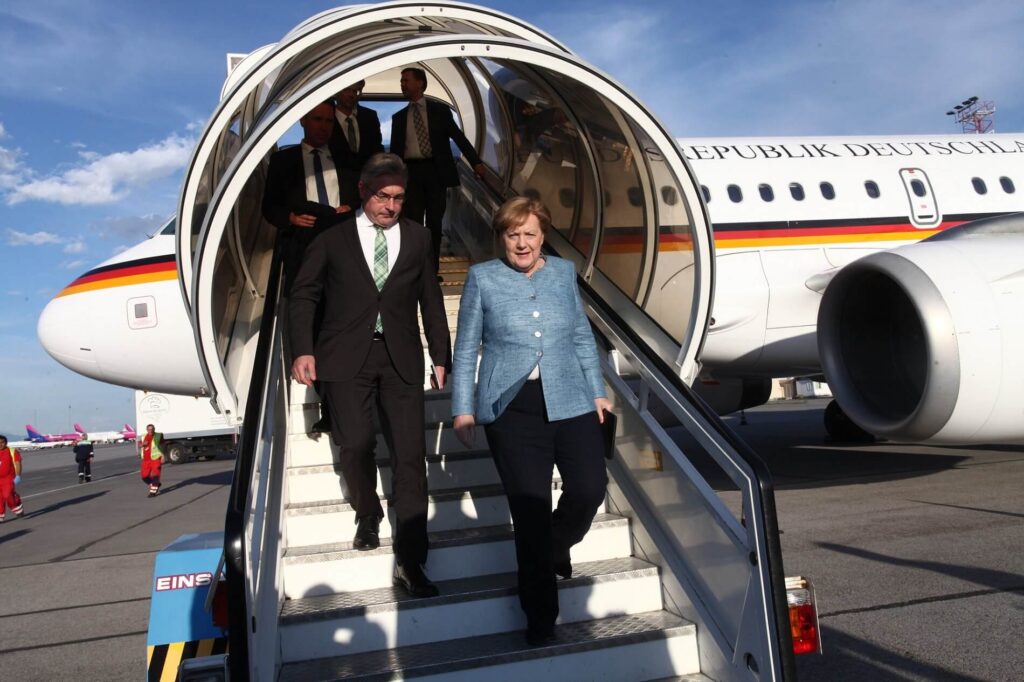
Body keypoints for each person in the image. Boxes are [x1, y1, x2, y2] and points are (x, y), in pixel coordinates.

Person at [451, 196, 612, 646]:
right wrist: (464, 409)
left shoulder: (562, 273)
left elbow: (581, 335)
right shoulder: (482, 277)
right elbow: (466, 350)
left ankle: (558, 546)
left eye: (529, 234)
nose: (521, 243)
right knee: (530, 514)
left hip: (572, 399)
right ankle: (541, 616)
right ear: (501, 236)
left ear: (543, 236)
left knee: (589, 489)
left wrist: (597, 391)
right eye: (512, 234)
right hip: (514, 408)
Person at [290, 152, 451, 598]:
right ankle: (367, 512)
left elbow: (431, 298)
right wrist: (302, 348)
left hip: (400, 358)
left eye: (399, 198)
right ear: (364, 192)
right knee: (356, 441)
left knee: (409, 458)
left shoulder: (418, 238)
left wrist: (441, 353)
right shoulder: (332, 238)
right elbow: (303, 294)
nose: (392, 206)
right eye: (384, 196)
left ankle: (412, 559)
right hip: (343, 358)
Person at [263, 100, 352, 432]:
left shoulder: (345, 160)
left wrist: (352, 210)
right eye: (317, 119)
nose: (323, 126)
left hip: (344, 247)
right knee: (314, 330)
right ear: (302, 120)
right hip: (304, 248)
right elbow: (268, 206)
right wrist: (288, 218)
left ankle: (345, 403)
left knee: (343, 327)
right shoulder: (283, 160)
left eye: (329, 121)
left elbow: (362, 197)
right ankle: (329, 407)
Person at [390, 67, 487, 271]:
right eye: (402, 80)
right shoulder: (399, 118)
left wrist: (476, 162)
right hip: (411, 174)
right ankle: (414, 268)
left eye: (406, 80)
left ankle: (431, 271)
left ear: (420, 83)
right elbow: (395, 153)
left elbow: (458, 138)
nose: (402, 84)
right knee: (413, 223)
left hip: (436, 172)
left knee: (435, 222)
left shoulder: (439, 111)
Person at [329, 80, 384, 205]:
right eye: (347, 90)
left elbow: (377, 150)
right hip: (336, 187)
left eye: (356, 91)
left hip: (367, 186)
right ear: (336, 91)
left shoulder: (369, 116)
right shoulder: (326, 116)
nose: (352, 94)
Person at [0, 435, 25, 522]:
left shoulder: (12, 451)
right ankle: (0, 514)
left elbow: (17, 463)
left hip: (8, 478)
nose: (0, 444)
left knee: (7, 495)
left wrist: (18, 475)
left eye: (2, 442)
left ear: (6, 443)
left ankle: (16, 501)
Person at [138, 424, 165, 497]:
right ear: (147, 430)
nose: (150, 430)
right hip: (146, 460)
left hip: (156, 459)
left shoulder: (159, 435)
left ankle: (153, 492)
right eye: (149, 429)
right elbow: (139, 445)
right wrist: (143, 444)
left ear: (154, 429)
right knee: (144, 477)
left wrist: (163, 455)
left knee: (155, 475)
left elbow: (162, 446)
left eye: (152, 429)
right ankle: (156, 484)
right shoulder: (143, 436)